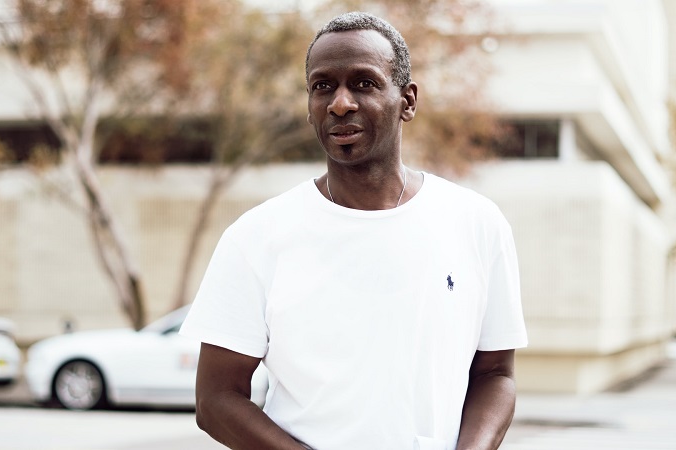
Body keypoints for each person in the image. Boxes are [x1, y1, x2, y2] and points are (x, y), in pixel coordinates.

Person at [180, 11, 527, 450]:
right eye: (322, 86)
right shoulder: (256, 237)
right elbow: (216, 399)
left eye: (363, 83)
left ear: (408, 101)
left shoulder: (477, 223)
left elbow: (496, 375)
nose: (339, 103)